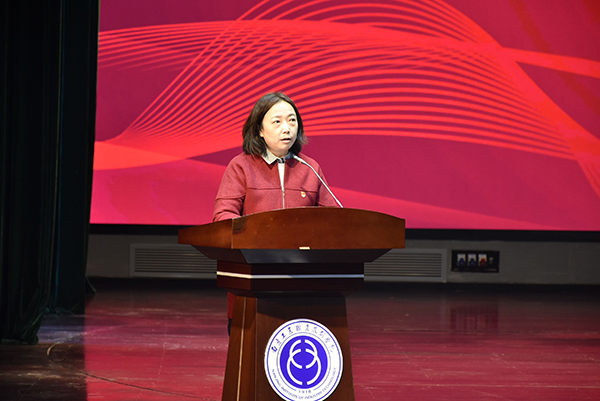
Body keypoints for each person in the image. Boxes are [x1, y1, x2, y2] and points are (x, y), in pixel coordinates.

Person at [212, 91, 341, 333]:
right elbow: (223, 216)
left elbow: (332, 219)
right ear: (259, 130)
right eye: (277, 121)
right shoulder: (241, 166)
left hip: (303, 279)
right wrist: (259, 237)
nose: (287, 128)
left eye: (292, 121)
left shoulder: (310, 168)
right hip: (254, 276)